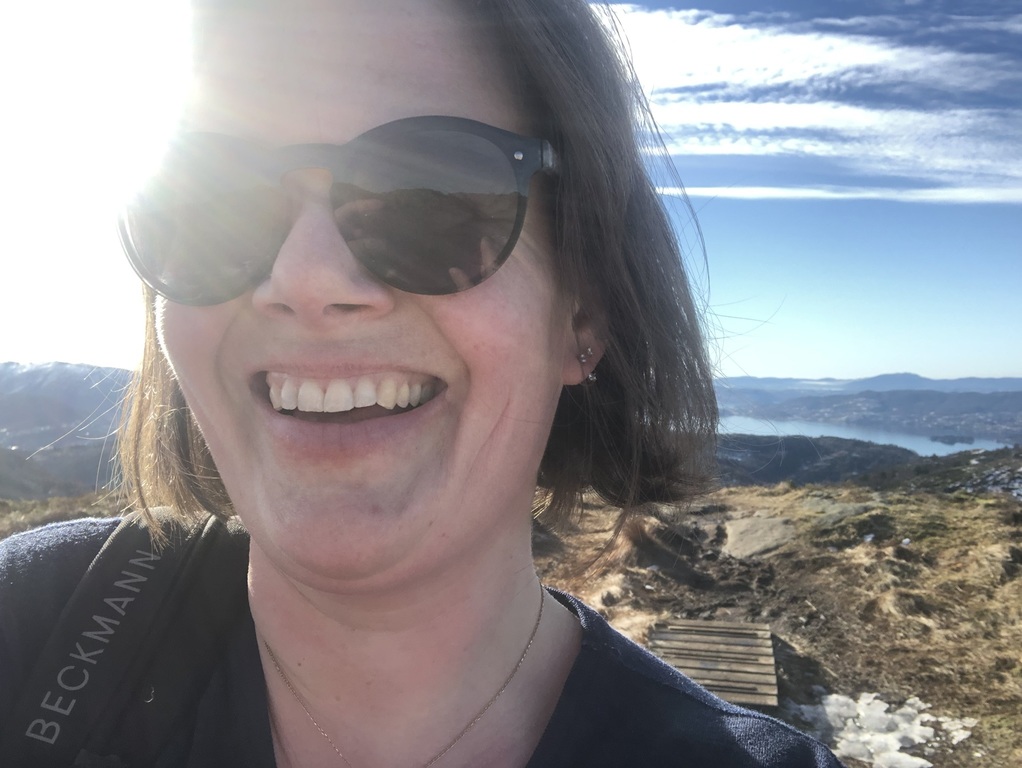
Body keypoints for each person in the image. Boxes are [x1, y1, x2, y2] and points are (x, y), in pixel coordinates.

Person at [0, 0, 844, 765]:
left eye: (428, 197)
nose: (304, 278)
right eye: (213, 201)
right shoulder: (32, 628)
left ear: (584, 313)